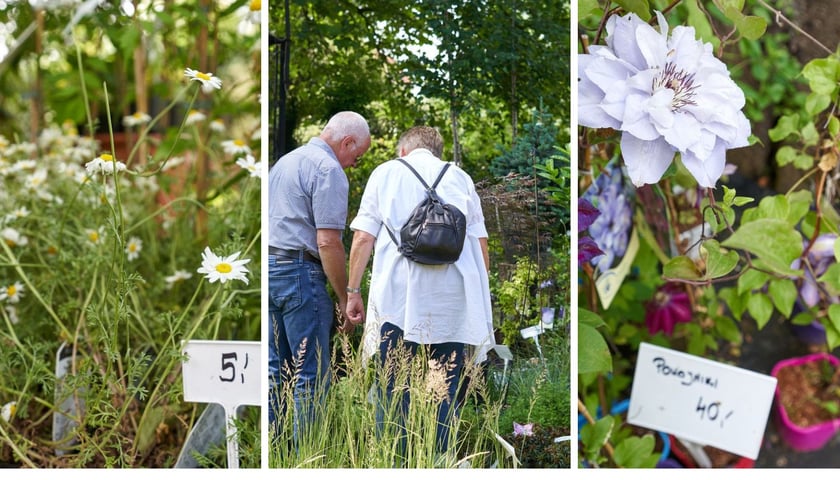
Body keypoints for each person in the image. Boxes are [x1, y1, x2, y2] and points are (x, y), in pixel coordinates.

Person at [345, 126, 494, 458]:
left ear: (403, 151)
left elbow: (363, 238)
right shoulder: (460, 177)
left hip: (398, 302)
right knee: (444, 391)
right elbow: (481, 245)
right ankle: (439, 461)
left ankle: (393, 461)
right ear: (437, 152)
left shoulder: (385, 174)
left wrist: (353, 291)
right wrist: (482, 304)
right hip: (453, 303)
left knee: (392, 389)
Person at [267, 111, 370, 442]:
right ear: (347, 141)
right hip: (300, 274)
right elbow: (327, 241)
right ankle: (304, 459)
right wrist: (345, 296)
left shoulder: (284, 162)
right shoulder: (328, 170)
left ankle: (276, 451)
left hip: (269, 270)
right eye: (357, 155)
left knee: (274, 372)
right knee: (308, 376)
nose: (354, 163)